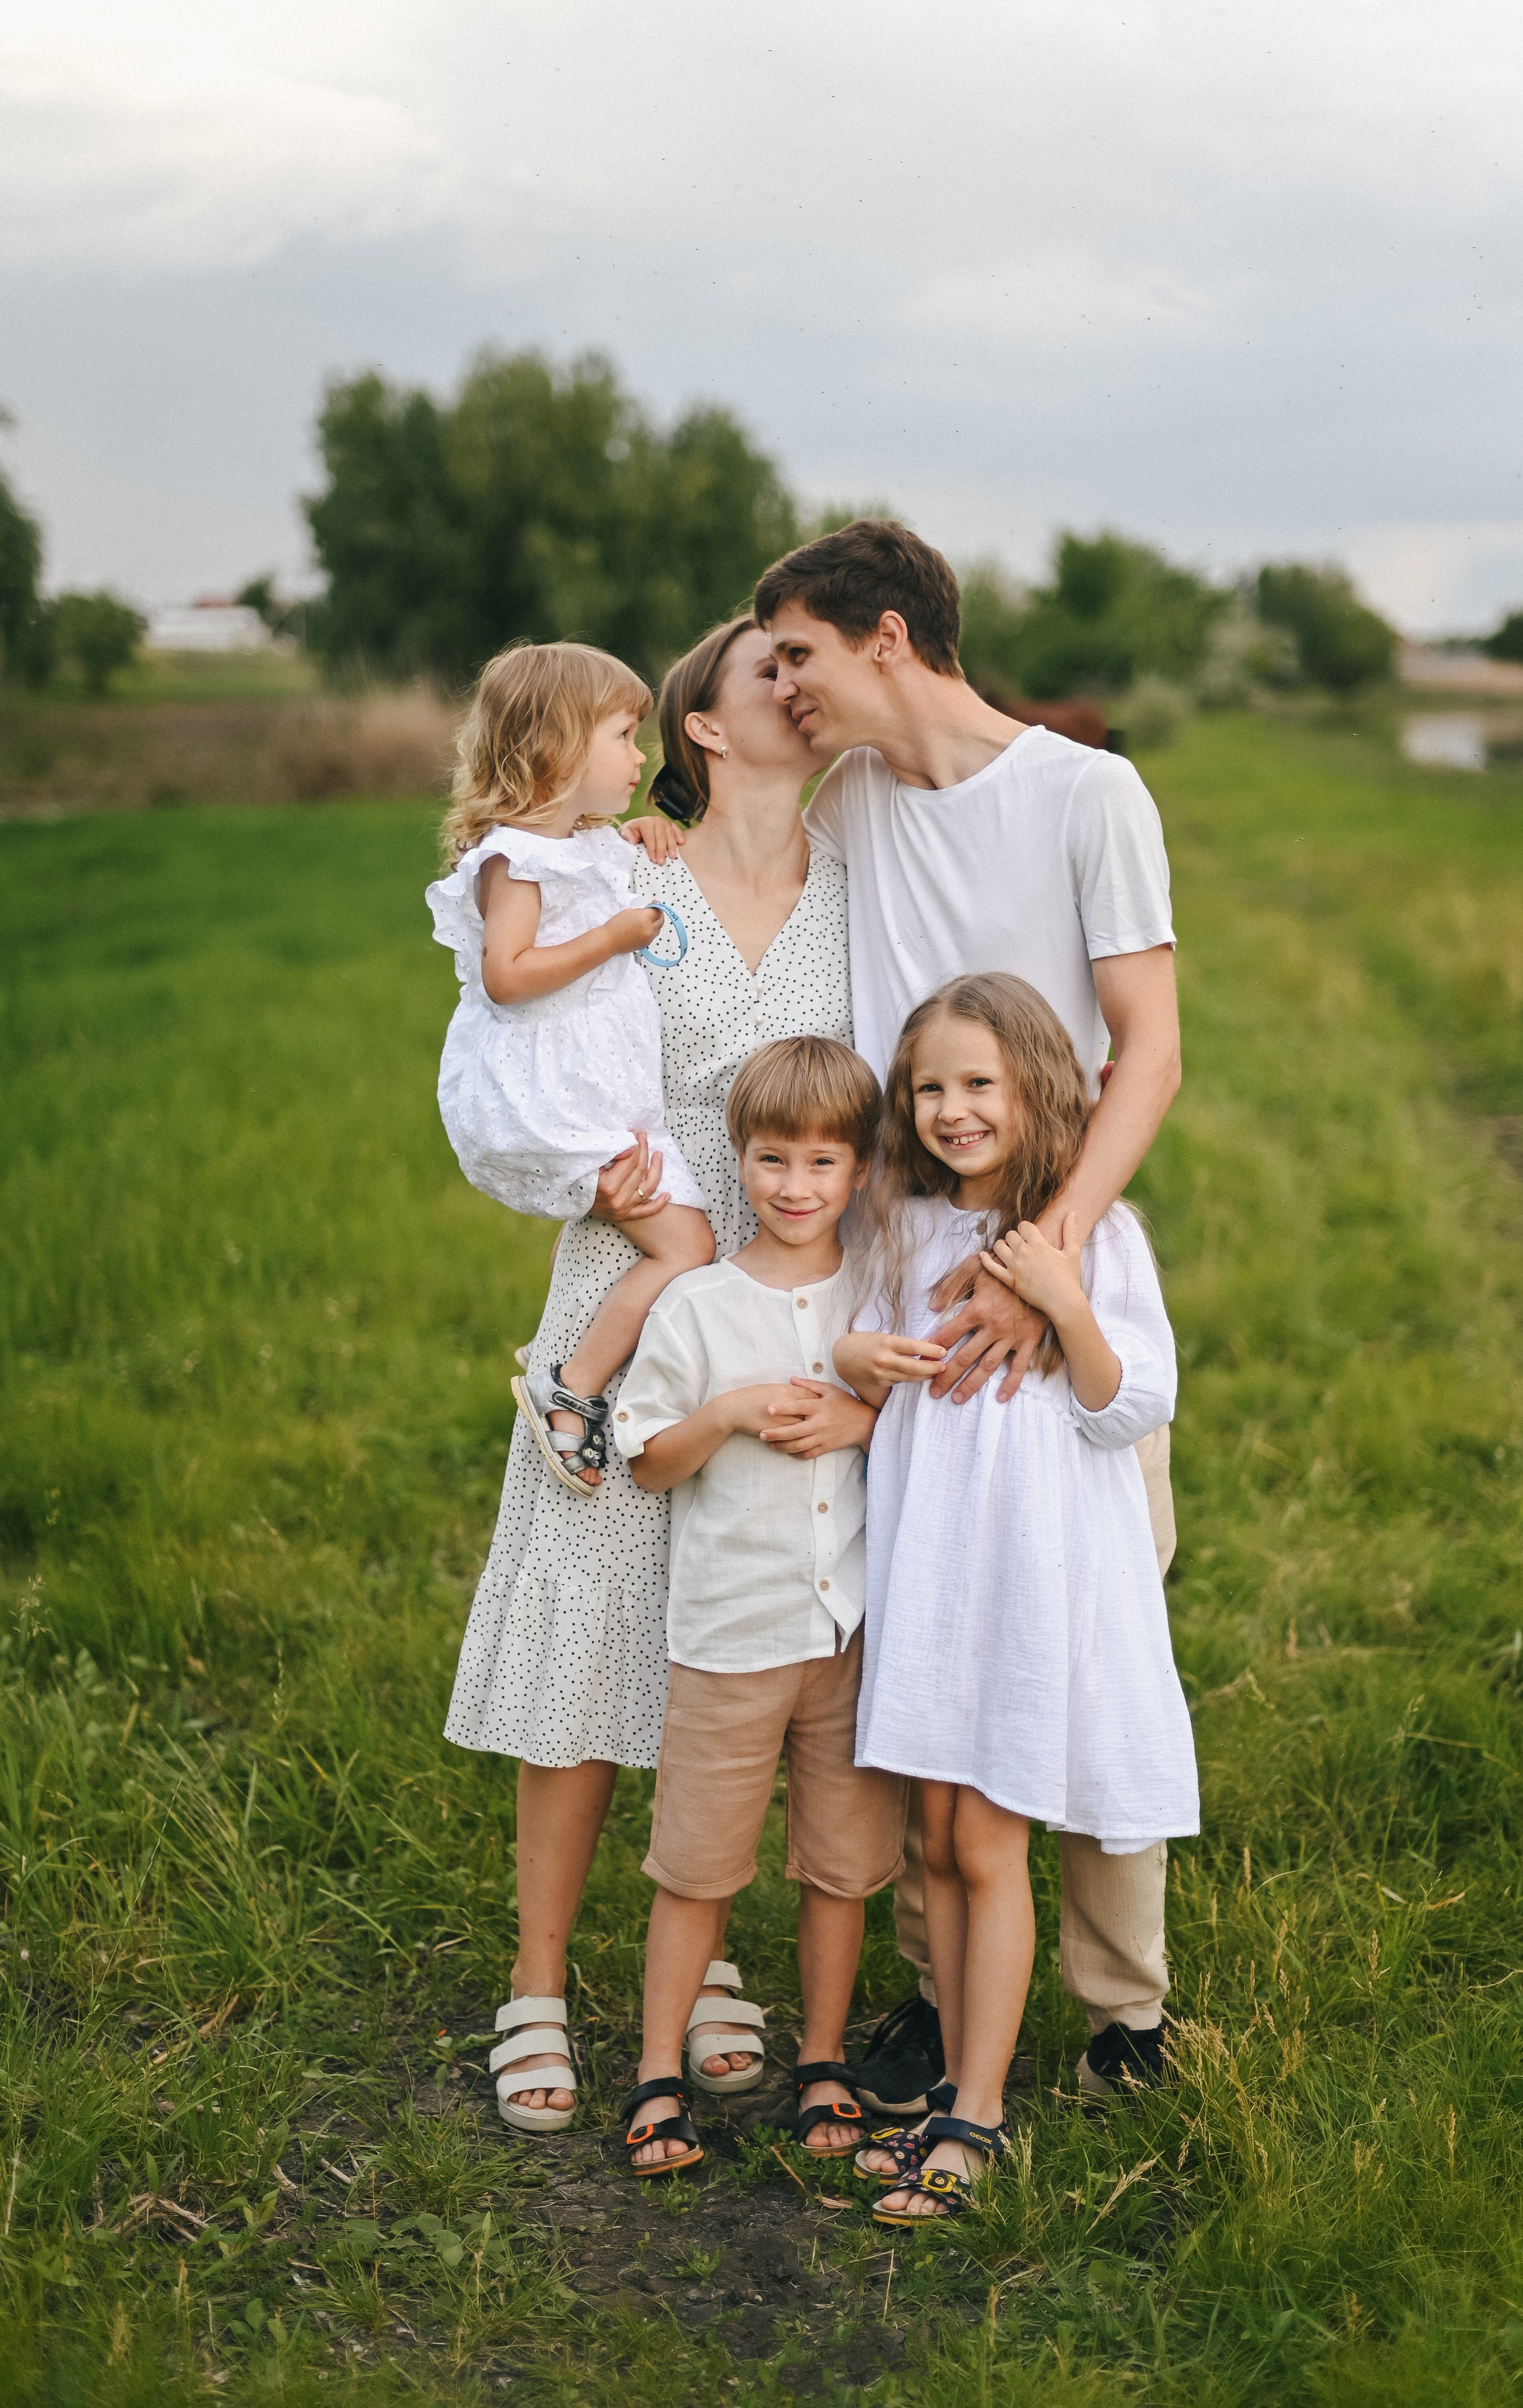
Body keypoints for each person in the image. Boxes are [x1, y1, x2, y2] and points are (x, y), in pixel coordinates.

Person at [755, 519, 1186, 2111]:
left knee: (1095, 1612)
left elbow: (1147, 1046)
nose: (784, 685)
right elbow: (717, 795)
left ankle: (1123, 2004)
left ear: (882, 636)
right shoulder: (854, 802)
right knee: (929, 1625)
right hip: (898, 1253)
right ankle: (944, 2011)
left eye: (797, 651)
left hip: (1052, 1241)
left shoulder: (1088, 793)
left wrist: (1043, 1258)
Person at [443, 618, 863, 2133]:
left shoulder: (858, 893)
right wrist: (587, 1182)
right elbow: (518, 1057)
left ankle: (711, 1950)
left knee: (748, 1633)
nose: (803, 689)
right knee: (591, 1620)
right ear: (701, 724)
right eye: (773, 670)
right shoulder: (625, 877)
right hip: (637, 1273)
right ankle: (538, 1981)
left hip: (796, 1300)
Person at [833, 976, 1199, 2222]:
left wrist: (1057, 1300)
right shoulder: (896, 1224)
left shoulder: (1093, 1236)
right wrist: (849, 1360)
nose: (950, 1108)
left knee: (985, 1844)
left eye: (978, 1082)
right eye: (929, 1085)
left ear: (1039, 1088)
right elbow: (860, 1354)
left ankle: (973, 2118)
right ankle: (957, 2069)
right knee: (932, 1840)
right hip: (929, 1575)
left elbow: (1125, 1401)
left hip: (1028, 1582)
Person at [611, 1038, 906, 2175]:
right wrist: (727, 1413)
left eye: (823, 1163)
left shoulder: (878, 1295)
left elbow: (927, 1429)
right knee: (697, 1866)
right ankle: (657, 2072)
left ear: (862, 1169)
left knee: (839, 1864)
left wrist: (865, 1420)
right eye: (773, 1160)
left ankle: (821, 2060)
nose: (795, 1187)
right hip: (732, 1638)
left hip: (850, 1633)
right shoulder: (695, 1307)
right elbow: (645, 1459)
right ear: (738, 1161)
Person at [426, 641, 715, 1497]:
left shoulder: (582, 844)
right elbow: (507, 977)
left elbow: (604, 869)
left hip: (596, 1084)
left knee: (675, 1239)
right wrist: (613, 938)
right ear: (557, 747)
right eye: (625, 736)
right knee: (687, 1243)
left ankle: (568, 1351)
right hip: (543, 1092)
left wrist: (639, 835)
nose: (641, 758)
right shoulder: (514, 858)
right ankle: (572, 1383)